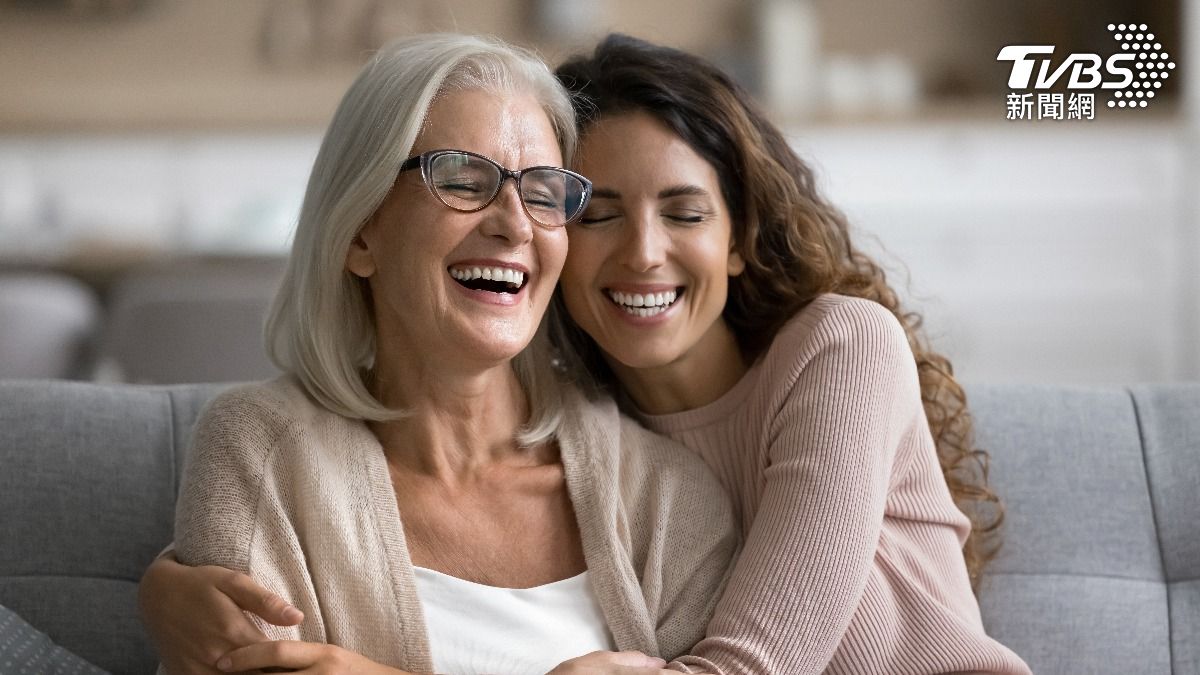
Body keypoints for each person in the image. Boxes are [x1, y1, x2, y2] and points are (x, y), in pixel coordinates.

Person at [141, 33, 737, 675]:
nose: (513, 223)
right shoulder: (260, 454)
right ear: (359, 231)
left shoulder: (665, 496)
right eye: (460, 178)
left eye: (542, 192)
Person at [546, 34, 1031, 674]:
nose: (642, 253)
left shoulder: (842, 348)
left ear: (738, 239)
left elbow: (756, 667)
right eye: (599, 217)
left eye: (685, 215)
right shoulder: (571, 428)